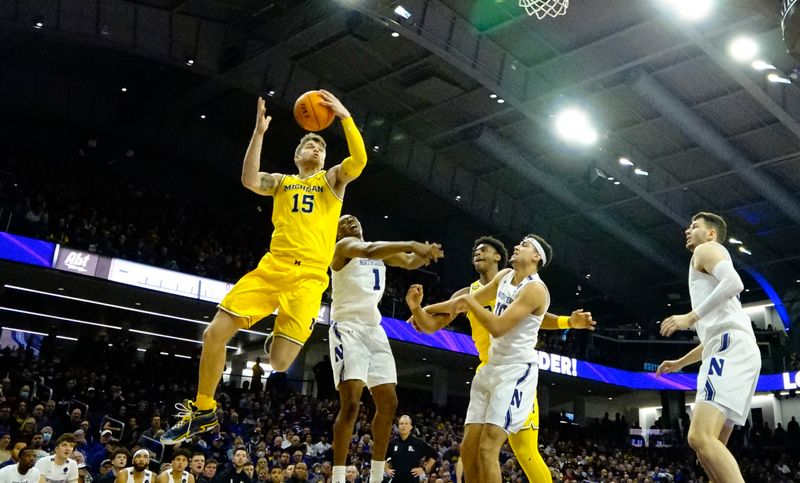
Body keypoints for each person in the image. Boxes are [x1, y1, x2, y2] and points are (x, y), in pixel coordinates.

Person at [163, 91, 366, 444]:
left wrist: (345, 117)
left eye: (321, 147)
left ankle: (277, 335)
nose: (316, 149)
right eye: (310, 145)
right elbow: (249, 179)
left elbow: (359, 161)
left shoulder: (331, 180)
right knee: (214, 333)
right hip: (272, 268)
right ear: (297, 155)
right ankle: (204, 409)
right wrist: (258, 133)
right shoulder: (282, 182)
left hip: (309, 279)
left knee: (282, 363)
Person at [406, 235, 593, 482]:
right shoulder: (496, 280)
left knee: (519, 450)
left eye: (524, 245)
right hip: (489, 368)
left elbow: (512, 322)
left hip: (516, 373)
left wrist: (567, 321)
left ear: (499, 256)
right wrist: (420, 310)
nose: (477, 254)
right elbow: (454, 307)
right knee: (469, 451)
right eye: (475, 251)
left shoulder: (534, 288)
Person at [328, 215, 444, 483]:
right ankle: (336, 477)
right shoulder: (343, 249)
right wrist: (413, 244)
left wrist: (426, 255)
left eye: (354, 220)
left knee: (389, 402)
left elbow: (408, 261)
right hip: (347, 327)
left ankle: (376, 476)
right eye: (344, 222)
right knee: (351, 404)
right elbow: (370, 249)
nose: (351, 222)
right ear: (337, 233)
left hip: (374, 329)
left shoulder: (378, 253)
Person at [656, 212, 760, 483]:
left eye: (695, 226)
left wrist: (690, 317)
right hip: (732, 347)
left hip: (730, 347)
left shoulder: (706, 249)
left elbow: (735, 283)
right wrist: (680, 363)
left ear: (711, 233)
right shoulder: (704, 265)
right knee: (708, 451)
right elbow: (714, 336)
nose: (688, 230)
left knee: (699, 437)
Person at [385, 416, 437, 483]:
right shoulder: (392, 443)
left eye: (406, 423)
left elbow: (434, 455)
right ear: (398, 427)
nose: (403, 426)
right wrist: (386, 469)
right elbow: (382, 457)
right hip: (396, 480)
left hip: (412, 480)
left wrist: (424, 469)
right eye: (401, 424)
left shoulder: (418, 442)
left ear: (411, 427)